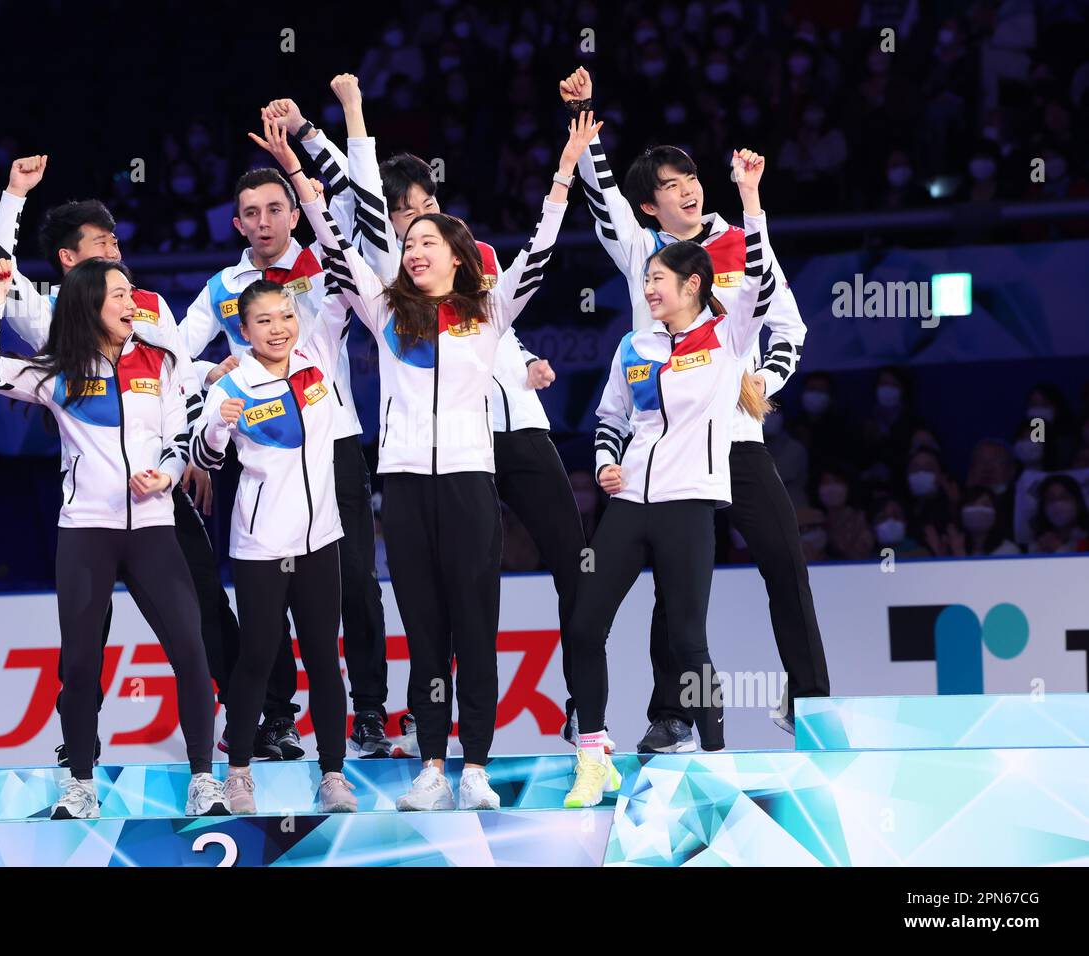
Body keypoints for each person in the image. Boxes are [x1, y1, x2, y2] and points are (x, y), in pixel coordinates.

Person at [256, 111, 595, 810]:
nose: (413, 250)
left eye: (427, 240)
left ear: (457, 254)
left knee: (476, 626)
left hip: (472, 484)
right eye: (408, 241)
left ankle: (475, 769)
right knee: (425, 630)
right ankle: (433, 767)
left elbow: (543, 243)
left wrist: (565, 168)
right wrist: (295, 167)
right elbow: (331, 238)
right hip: (405, 489)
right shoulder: (386, 313)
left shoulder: (489, 310)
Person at [562, 66, 827, 745]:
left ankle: (815, 704)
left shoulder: (743, 242)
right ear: (650, 207)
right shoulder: (640, 251)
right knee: (672, 589)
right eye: (669, 186)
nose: (686, 190)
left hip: (735, 440)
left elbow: (788, 328)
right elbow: (599, 194)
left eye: (689, 179)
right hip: (668, 446)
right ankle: (672, 716)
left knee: (785, 564)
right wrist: (587, 110)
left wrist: (759, 386)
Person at [0, 155, 236, 769]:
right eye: (103, 244)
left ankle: (250, 727)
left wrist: (192, 449)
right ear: (71, 260)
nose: (117, 252)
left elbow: (181, 373)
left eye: (117, 241)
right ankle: (81, 752)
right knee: (85, 638)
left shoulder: (147, 302)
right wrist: (15, 195)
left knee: (203, 602)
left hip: (161, 487)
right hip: (95, 496)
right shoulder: (50, 315)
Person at [563, 147, 778, 808]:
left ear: (693, 285)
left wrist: (749, 198)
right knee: (583, 622)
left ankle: (714, 755)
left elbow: (761, 284)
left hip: (689, 505)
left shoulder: (727, 335)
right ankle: (594, 753)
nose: (650, 288)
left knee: (688, 638)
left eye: (661, 280)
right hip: (629, 502)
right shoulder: (635, 347)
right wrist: (605, 460)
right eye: (647, 278)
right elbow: (609, 417)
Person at [179, 150, 391, 760]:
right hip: (257, 454)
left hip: (336, 444)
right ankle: (275, 720)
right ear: (237, 224)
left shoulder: (323, 266)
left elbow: (364, 224)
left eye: (275, 208)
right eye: (251, 213)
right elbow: (173, 360)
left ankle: (370, 713)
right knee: (264, 601)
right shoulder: (223, 290)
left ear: (295, 213)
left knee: (355, 583)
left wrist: (305, 147)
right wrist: (211, 395)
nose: (264, 221)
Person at [191, 269, 357, 814]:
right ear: (243, 329)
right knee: (257, 658)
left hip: (321, 539)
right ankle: (238, 774)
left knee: (323, 661)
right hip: (261, 545)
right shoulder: (231, 385)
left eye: (286, 316)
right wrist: (218, 425)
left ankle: (333, 774)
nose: (278, 328)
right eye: (263, 320)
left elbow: (342, 290)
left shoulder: (316, 365)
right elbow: (206, 457)